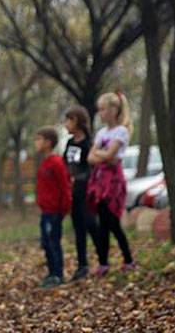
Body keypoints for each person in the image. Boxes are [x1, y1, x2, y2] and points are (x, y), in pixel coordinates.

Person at [87, 91, 136, 277]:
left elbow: (109, 155)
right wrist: (104, 156)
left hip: (113, 182)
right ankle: (103, 262)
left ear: (115, 110)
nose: (100, 113)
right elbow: (91, 157)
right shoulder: (101, 133)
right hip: (99, 181)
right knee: (103, 224)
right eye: (99, 110)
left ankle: (128, 259)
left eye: (104, 109)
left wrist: (103, 155)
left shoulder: (121, 131)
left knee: (112, 221)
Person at [63, 105, 101, 281]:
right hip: (73, 194)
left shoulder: (88, 143)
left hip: (86, 191)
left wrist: (80, 179)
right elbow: (65, 164)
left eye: (68, 120)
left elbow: (92, 167)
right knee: (78, 228)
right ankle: (82, 265)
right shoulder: (70, 143)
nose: (65, 124)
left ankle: (103, 260)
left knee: (91, 225)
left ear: (77, 121)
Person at [34, 127, 71, 288]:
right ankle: (51, 273)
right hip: (45, 211)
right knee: (46, 243)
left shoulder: (56, 162)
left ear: (48, 143)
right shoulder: (44, 162)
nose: (36, 142)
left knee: (54, 242)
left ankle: (58, 275)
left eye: (39, 139)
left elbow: (64, 186)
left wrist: (64, 208)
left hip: (55, 211)